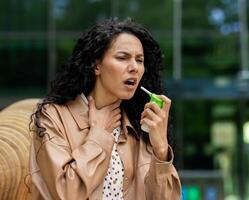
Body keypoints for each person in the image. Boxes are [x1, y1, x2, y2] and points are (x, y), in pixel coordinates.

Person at [29, 18, 181, 200]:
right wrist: (99, 134)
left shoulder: (139, 124)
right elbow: (65, 193)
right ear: (96, 65)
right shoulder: (54, 117)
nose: (134, 68)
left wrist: (161, 148)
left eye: (139, 60)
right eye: (122, 57)